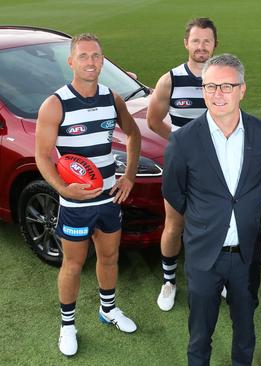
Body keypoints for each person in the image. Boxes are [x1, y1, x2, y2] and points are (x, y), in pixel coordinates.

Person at [162, 53, 261, 366]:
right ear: (202, 90)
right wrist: (207, 218)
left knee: (245, 331)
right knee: (200, 335)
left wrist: (241, 210)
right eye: (210, 86)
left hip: (246, 256)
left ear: (243, 89)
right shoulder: (182, 141)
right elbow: (175, 193)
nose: (218, 94)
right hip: (203, 256)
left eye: (226, 86)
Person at [34, 33, 142, 357]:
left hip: (109, 201)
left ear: (102, 60)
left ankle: (108, 310)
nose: (91, 62)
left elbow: (134, 134)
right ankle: (68, 326)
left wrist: (129, 176)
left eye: (96, 56)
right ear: (71, 62)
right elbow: (42, 155)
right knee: (73, 264)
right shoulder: (55, 104)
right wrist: (64, 189)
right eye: (84, 56)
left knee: (109, 258)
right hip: (75, 205)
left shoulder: (113, 99)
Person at [147, 17, 219, 311]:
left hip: (215, 168)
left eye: (207, 41)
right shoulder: (170, 79)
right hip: (180, 167)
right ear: (186, 43)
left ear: (215, 44)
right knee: (174, 225)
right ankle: (169, 282)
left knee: (215, 225)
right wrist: (180, 141)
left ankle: (215, 278)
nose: (201, 46)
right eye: (196, 40)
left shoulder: (223, 79)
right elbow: (152, 120)